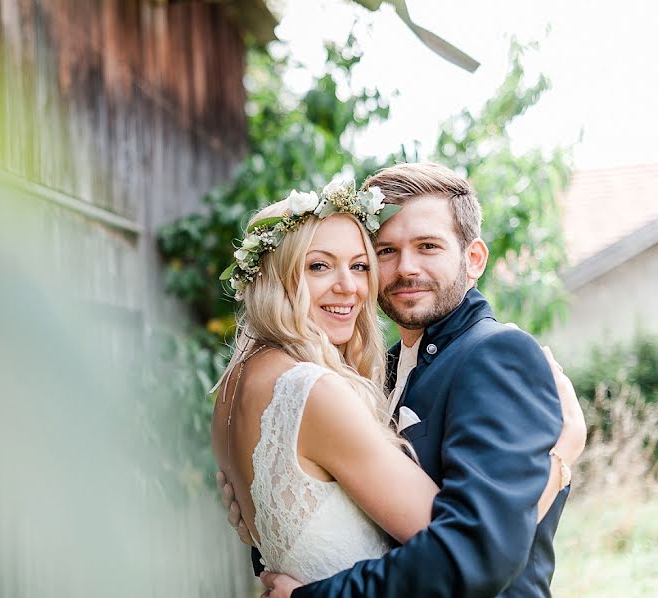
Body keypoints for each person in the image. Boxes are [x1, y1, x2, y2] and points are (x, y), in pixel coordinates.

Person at [213, 163, 585, 598]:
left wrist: (559, 464)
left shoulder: (496, 355)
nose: (406, 268)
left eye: (428, 246)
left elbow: (479, 550)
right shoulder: (368, 373)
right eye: (386, 252)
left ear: (474, 259)